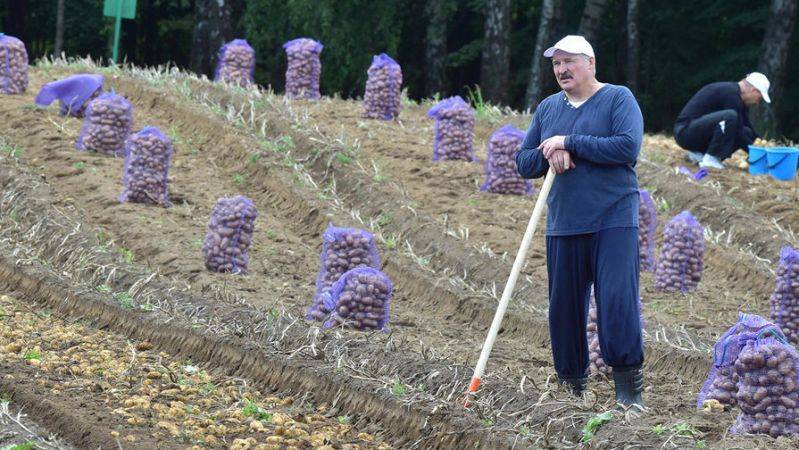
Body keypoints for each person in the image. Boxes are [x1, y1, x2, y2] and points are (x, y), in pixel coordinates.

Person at [515, 35, 645, 408]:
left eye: (569, 61)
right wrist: (549, 149)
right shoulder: (547, 108)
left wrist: (570, 141)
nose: (561, 69)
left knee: (617, 301)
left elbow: (626, 146)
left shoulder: (618, 98)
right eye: (556, 64)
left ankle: (629, 393)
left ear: (590, 62)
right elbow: (524, 163)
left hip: (613, 218)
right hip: (565, 222)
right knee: (563, 308)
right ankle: (572, 390)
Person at [673, 72, 770, 169]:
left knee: (746, 131)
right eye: (759, 98)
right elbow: (738, 132)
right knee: (730, 116)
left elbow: (746, 126)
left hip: (695, 131)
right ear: (753, 90)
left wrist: (761, 144)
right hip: (684, 132)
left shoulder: (736, 96)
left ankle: (698, 155)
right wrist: (756, 153)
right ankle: (711, 159)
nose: (757, 103)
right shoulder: (731, 95)